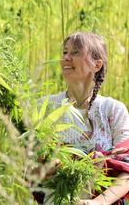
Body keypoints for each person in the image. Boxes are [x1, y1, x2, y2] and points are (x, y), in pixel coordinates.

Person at [45, 31, 129, 205]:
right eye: (65, 52)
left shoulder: (113, 110)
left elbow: (127, 169)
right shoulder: (46, 107)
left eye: (75, 52)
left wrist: (98, 203)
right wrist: (47, 168)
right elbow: (28, 166)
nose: (66, 57)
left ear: (96, 65)